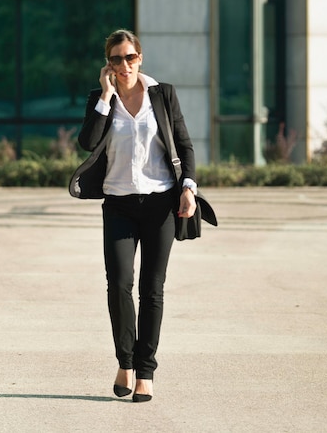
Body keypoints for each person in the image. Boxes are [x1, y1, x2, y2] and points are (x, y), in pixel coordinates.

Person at [78, 29, 197, 402]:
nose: (124, 65)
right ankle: (124, 362)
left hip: (161, 203)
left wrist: (189, 187)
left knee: (152, 289)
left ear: (140, 58)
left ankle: (145, 371)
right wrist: (106, 96)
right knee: (119, 284)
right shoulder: (101, 100)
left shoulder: (163, 95)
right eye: (116, 59)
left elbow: (184, 143)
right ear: (107, 64)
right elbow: (88, 142)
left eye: (130, 57)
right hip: (118, 204)